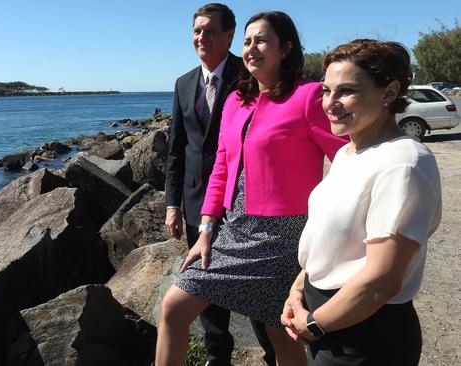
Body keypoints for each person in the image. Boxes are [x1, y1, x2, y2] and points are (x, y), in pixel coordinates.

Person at [157, 11, 347, 366]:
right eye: (247, 42)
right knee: (173, 307)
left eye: (261, 40)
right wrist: (206, 229)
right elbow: (221, 169)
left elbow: (350, 159)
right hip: (235, 228)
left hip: (285, 234)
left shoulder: (308, 96)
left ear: (285, 48)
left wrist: (335, 221)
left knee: (281, 334)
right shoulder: (235, 101)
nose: (252, 48)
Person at [281, 39, 442, 365]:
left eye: (346, 91)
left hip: (365, 337)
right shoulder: (347, 152)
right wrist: (298, 290)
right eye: (326, 90)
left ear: (389, 92)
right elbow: (335, 242)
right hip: (330, 321)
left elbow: (381, 281)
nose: (330, 103)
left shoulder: (404, 162)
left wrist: (315, 323)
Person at [164, 4, 276, 365]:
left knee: (259, 289)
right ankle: (217, 356)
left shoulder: (253, 74)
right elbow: (175, 150)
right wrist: (172, 204)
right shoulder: (183, 84)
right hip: (199, 201)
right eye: (197, 31)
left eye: (210, 31)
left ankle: (272, 351)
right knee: (207, 283)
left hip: (246, 201)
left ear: (229, 35)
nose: (202, 38)